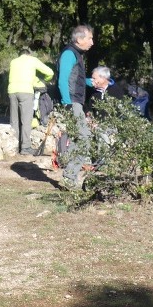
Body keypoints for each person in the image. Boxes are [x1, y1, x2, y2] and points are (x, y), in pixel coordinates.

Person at [57, 25, 94, 186]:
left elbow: (75, 79)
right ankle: (69, 176)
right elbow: (62, 80)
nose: (92, 42)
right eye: (90, 38)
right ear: (79, 39)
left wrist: (89, 82)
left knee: (79, 139)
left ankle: (69, 175)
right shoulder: (69, 54)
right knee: (84, 138)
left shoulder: (76, 54)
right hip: (72, 103)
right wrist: (67, 103)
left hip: (76, 101)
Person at [7, 47, 54, 155]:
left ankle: (14, 147)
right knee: (26, 120)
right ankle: (26, 147)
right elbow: (50, 72)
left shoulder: (13, 61)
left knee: (14, 120)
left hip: (12, 91)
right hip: (26, 91)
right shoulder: (32, 60)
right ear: (29, 54)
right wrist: (43, 80)